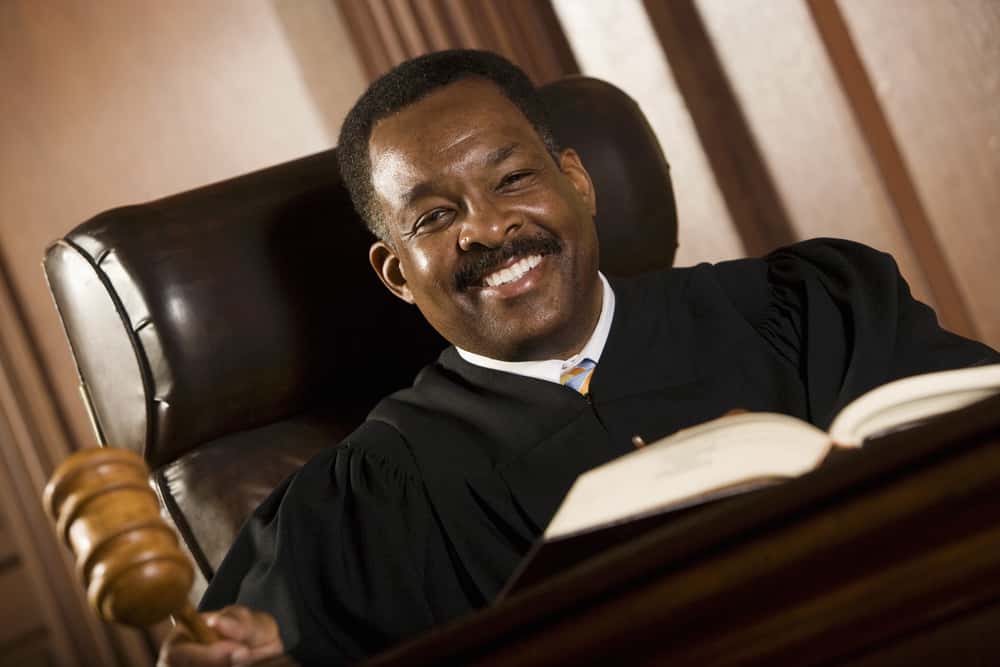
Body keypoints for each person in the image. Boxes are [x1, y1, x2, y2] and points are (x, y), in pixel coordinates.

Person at [158, 50, 998, 667]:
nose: (487, 228)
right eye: (433, 217)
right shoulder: (358, 512)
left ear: (578, 182)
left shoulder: (810, 308)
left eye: (512, 179)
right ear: (397, 275)